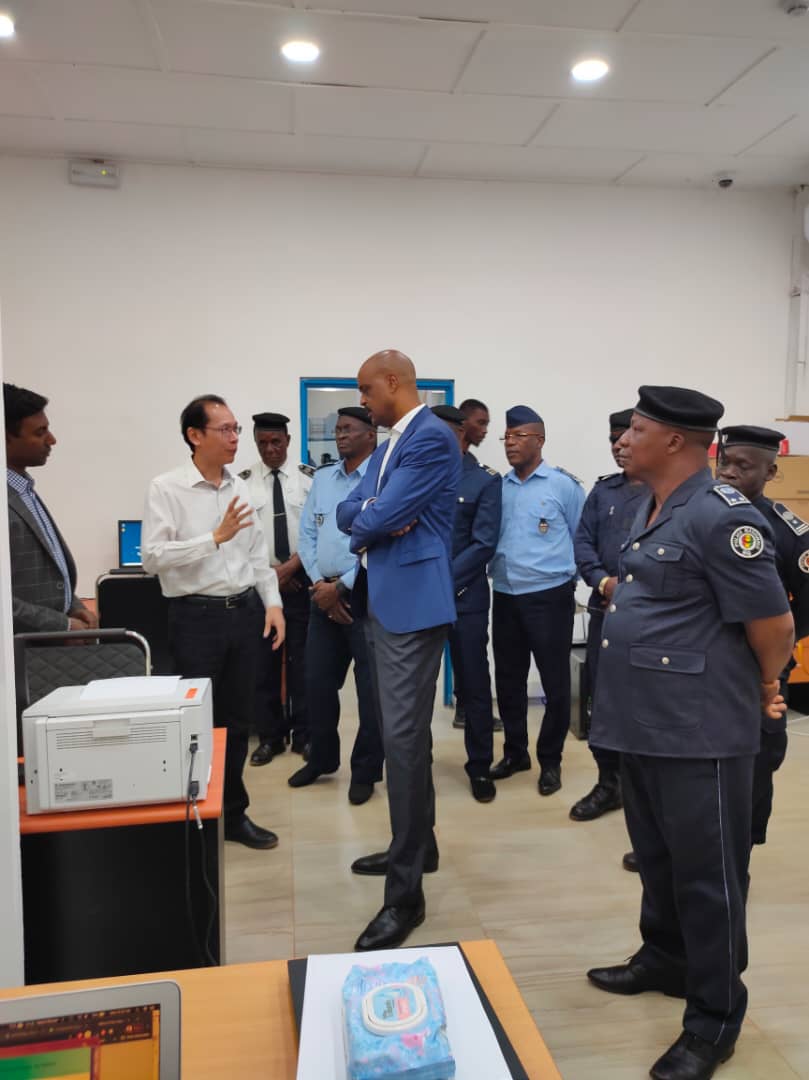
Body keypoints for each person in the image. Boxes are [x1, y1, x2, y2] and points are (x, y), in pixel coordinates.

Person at [586, 387, 794, 1080]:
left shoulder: (721, 516)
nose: (623, 439)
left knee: (709, 879)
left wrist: (766, 687)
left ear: (675, 440)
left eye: (636, 429)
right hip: (643, 720)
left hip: (700, 729)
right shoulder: (649, 503)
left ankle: (714, 1018)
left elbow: (773, 624)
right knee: (657, 860)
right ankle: (665, 959)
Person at [336, 350, 461, 952]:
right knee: (400, 738)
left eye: (366, 390)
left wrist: (373, 517)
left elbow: (375, 516)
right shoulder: (391, 446)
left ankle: (405, 897)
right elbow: (356, 511)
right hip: (383, 600)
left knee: (404, 743)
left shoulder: (430, 438)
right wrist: (374, 516)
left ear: (393, 382)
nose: (362, 401)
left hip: (411, 606)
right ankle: (419, 845)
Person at [142, 394, 285, 850]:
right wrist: (213, 538)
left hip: (244, 614)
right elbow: (152, 558)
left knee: (238, 722)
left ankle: (233, 814)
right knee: (196, 724)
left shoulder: (240, 488)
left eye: (236, 429)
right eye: (225, 429)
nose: (235, 438)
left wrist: (273, 604)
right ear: (194, 435)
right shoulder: (167, 488)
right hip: (195, 619)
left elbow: (257, 554)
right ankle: (195, 818)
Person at [716, 424, 809, 847]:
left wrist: (776, 644)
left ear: (771, 472)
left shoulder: (786, 530)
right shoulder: (700, 514)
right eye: (725, 462)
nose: (729, 472)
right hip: (704, 663)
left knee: (756, 761)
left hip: (760, 670)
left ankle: (740, 853)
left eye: (743, 465)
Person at [288, 406, 384, 805]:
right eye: (338, 429)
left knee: (370, 692)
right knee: (317, 684)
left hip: (364, 596)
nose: (341, 435)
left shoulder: (383, 479)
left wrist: (343, 586)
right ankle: (322, 759)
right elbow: (307, 534)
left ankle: (365, 771)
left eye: (348, 429)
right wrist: (319, 586)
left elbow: (382, 544)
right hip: (321, 595)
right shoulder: (324, 478)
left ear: (370, 435)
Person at [489, 405, 585, 795]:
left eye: (519, 436)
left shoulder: (563, 486)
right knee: (508, 680)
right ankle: (515, 753)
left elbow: (582, 539)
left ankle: (550, 761)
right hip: (505, 594)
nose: (510, 443)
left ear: (540, 440)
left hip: (549, 597)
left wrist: (567, 583)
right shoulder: (499, 487)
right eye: (507, 436)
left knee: (555, 684)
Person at [570, 408, 647, 822]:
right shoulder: (603, 492)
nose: (619, 445)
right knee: (603, 701)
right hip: (606, 613)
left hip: (650, 622)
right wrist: (602, 582)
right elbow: (583, 541)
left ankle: (644, 790)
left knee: (645, 704)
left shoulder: (667, 493)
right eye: (613, 438)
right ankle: (608, 783)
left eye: (626, 437)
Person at [432, 404, 501, 803]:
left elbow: (484, 543)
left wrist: (441, 581)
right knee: (417, 688)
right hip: (421, 601)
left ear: (459, 434)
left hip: (465, 599)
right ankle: (416, 762)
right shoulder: (418, 475)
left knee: (474, 686)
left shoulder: (484, 480)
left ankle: (479, 767)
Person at [241, 413, 313, 764]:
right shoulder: (241, 483)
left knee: (303, 664)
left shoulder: (309, 479)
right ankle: (270, 738)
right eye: (262, 443)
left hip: (300, 582)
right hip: (259, 587)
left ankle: (304, 735)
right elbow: (239, 539)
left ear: (288, 440)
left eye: (276, 442)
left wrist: (289, 569)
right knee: (263, 667)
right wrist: (269, 576)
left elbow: (318, 532)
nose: (270, 449)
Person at [5, 383, 98, 634]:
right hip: (21, 649)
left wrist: (73, 606)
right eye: (40, 432)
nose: (52, 440)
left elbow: (42, 576)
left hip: (46, 644)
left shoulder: (22, 490)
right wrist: (62, 625)